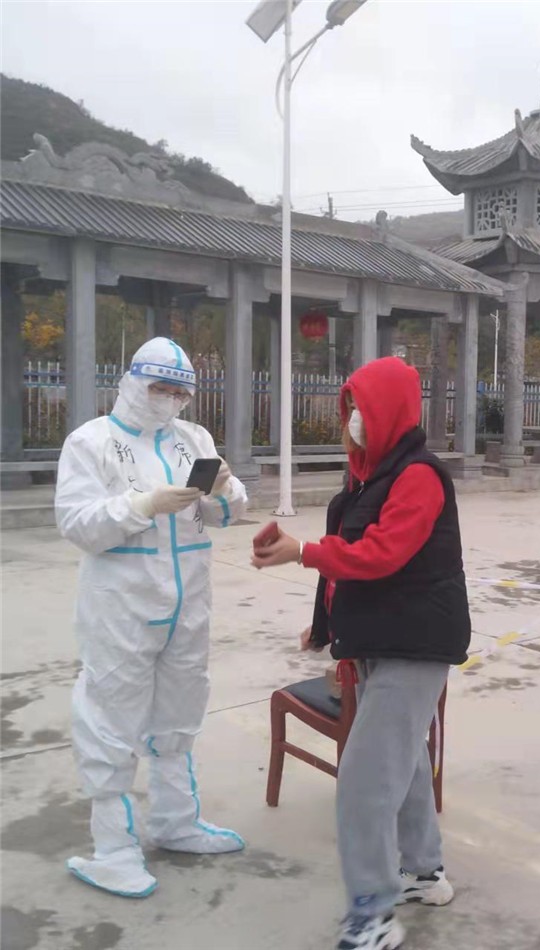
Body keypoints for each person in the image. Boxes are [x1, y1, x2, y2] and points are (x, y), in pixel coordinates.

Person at [252, 356, 470, 950]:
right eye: (349, 408)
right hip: (379, 638)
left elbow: (380, 554)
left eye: (362, 409)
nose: (353, 420)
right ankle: (424, 872)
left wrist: (302, 551)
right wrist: (323, 629)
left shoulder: (419, 476)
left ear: (391, 411)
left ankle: (371, 915)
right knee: (406, 760)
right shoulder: (367, 479)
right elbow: (342, 564)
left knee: (364, 782)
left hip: (416, 643)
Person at [55, 337, 247, 899]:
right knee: (110, 720)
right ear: (134, 383)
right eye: (160, 388)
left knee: (179, 712)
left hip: (189, 603)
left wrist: (224, 488)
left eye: (180, 392)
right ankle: (113, 851)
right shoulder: (90, 442)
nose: (170, 400)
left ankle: (176, 821)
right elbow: (77, 524)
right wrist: (141, 505)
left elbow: (227, 515)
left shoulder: (194, 439)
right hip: (122, 608)